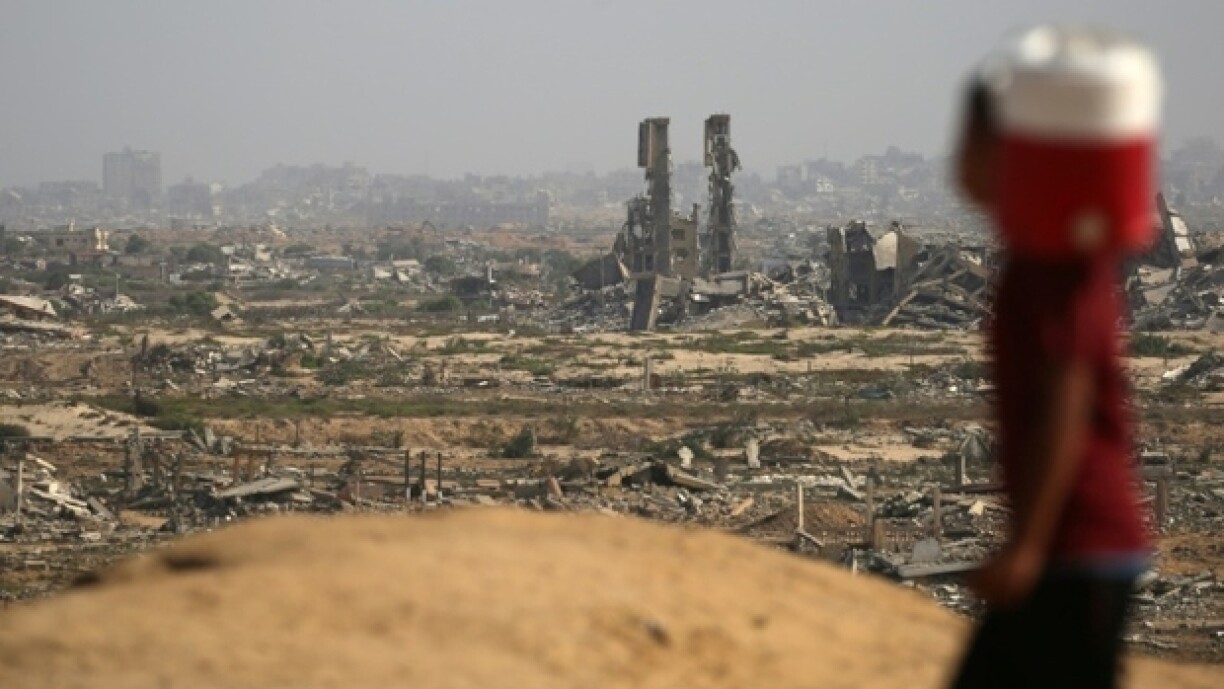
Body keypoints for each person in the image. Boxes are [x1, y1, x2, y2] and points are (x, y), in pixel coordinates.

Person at [949, 29, 1158, 689]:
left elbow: (1065, 405)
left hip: (1079, 551)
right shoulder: (1040, 260)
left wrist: (1028, 547)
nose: (958, 163)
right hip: (1074, 554)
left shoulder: (1049, 268)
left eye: (971, 145)